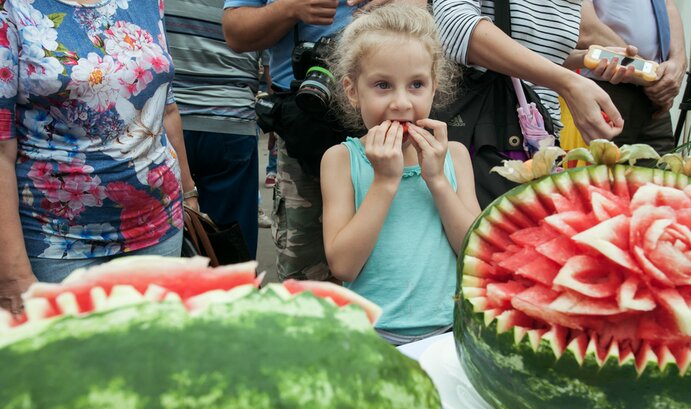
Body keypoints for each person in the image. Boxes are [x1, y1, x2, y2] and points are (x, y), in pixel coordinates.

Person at [0, 0, 196, 315]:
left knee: (149, 356)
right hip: (59, 244)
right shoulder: (12, 11)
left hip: (159, 228)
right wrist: (11, 272)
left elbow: (166, 107)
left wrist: (189, 192)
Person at [321, 3, 481, 345]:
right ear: (352, 90)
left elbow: (476, 252)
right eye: (382, 85)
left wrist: (437, 180)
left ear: (434, 87)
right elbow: (344, 266)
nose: (401, 103)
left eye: (416, 84)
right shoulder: (340, 160)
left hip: (451, 332)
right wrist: (384, 181)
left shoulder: (453, 155)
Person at [223, 0, 411, 281]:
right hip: (307, 118)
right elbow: (235, 31)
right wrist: (291, 9)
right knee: (308, 277)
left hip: (390, 116)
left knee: (398, 263)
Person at [432, 0, 627, 141]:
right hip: (483, 135)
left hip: (541, 136)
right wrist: (568, 83)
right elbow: (453, 27)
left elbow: (528, 51)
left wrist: (585, 58)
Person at [165, 0, 265, 259]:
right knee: (232, 245)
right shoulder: (247, 5)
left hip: (170, 121)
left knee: (169, 238)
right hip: (230, 121)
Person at [583, 0, 687, 153]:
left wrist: (678, 61)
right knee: (601, 173)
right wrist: (651, 76)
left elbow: (668, 4)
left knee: (661, 173)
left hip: (654, 97)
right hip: (602, 89)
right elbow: (585, 28)